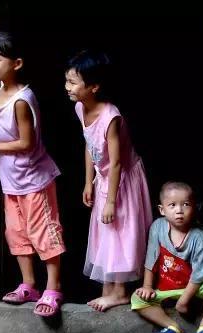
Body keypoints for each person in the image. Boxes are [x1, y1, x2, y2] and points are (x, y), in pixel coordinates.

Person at [0, 32, 65, 317]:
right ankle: (29, 284)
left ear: (18, 63)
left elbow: (27, 143)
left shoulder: (22, 100)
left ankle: (54, 287)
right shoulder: (0, 89)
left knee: (44, 232)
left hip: (34, 180)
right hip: (11, 181)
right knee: (16, 232)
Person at [65, 50, 152, 311]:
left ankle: (120, 292)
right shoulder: (80, 107)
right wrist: (87, 180)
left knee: (118, 230)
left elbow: (115, 163)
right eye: (67, 80)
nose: (67, 87)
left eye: (72, 82)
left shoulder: (110, 117)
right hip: (104, 178)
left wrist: (111, 201)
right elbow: (89, 144)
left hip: (122, 179)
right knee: (105, 232)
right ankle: (109, 289)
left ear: (93, 87)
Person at [131, 182, 203, 333]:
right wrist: (147, 286)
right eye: (172, 205)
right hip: (166, 288)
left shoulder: (196, 236)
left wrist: (184, 301)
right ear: (162, 210)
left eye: (186, 204)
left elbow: (200, 272)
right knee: (137, 299)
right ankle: (173, 328)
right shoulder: (158, 227)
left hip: (192, 288)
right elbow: (151, 258)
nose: (179, 210)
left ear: (194, 208)